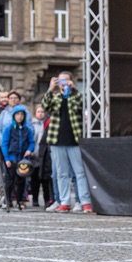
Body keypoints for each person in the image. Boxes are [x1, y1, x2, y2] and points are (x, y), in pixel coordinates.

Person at [41, 72, 93, 214]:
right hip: (56, 140)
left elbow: (83, 105)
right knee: (61, 173)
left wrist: (74, 89)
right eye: (61, 80)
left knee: (79, 172)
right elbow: (45, 105)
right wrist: (51, 88)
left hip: (74, 139)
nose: (64, 82)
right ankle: (64, 201)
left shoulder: (76, 96)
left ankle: (85, 201)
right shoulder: (55, 97)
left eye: (66, 80)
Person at [0, 105, 34, 210]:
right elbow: (4, 144)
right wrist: (6, 159)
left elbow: (31, 142)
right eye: (18, 114)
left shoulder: (27, 129)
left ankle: (20, 200)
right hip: (11, 158)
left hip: (22, 159)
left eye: (22, 115)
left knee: (21, 181)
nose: (20, 117)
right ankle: (8, 200)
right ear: (14, 116)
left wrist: (29, 150)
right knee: (9, 180)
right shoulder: (8, 129)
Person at [28, 105, 52, 208]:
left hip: (45, 156)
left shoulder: (48, 123)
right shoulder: (31, 124)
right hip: (35, 155)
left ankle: (47, 199)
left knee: (45, 179)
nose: (41, 113)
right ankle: (35, 199)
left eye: (42, 112)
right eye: (38, 112)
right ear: (35, 113)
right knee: (35, 179)